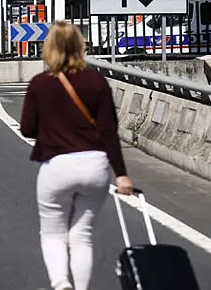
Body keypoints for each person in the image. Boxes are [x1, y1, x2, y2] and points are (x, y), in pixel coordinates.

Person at [20, 22, 134, 290]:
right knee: (82, 235)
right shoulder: (96, 82)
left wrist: (51, 127)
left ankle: (61, 284)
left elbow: (27, 128)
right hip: (94, 166)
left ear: (48, 48)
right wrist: (122, 175)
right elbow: (109, 131)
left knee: (52, 234)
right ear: (80, 46)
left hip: (57, 166)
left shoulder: (40, 84)